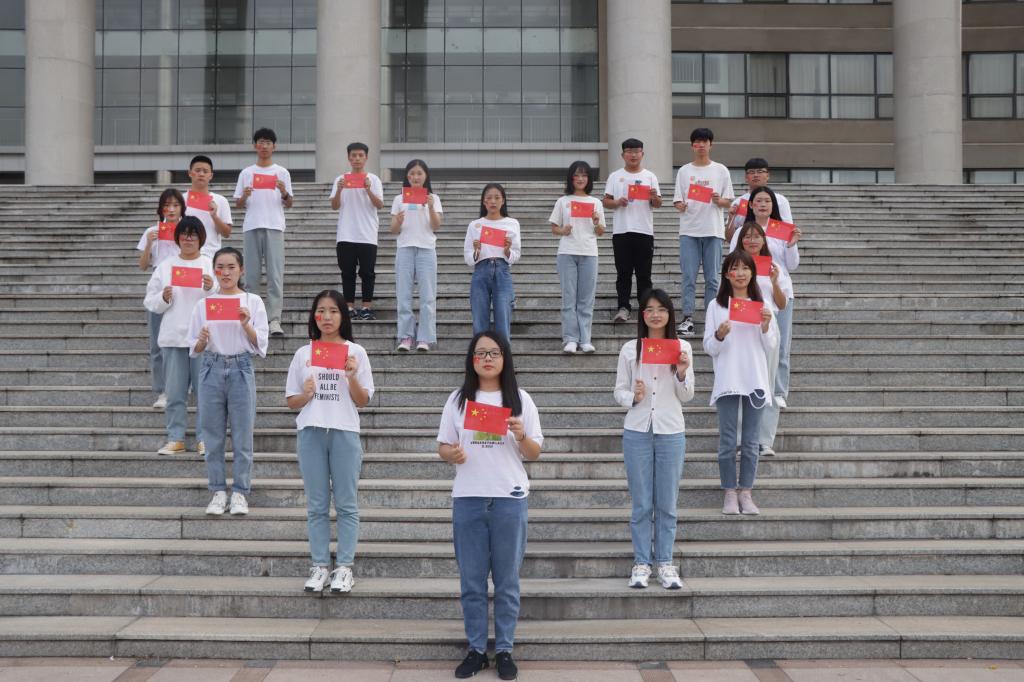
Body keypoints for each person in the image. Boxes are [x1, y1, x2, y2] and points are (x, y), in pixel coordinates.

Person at [437, 331, 543, 681]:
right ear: (472, 359)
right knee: (471, 580)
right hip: (468, 497)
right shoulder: (458, 400)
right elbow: (443, 446)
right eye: (480, 353)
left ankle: (505, 650)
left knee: (507, 580)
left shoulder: (521, 400)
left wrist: (521, 435)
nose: (487, 358)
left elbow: (534, 452)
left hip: (509, 497)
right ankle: (477, 650)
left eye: (494, 353)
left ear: (504, 358)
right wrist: (451, 454)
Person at [285, 290, 373, 594]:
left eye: (333, 311)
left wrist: (351, 376)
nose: (327, 317)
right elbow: (291, 400)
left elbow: (363, 400)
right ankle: (320, 565)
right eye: (321, 311)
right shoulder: (303, 353)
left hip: (344, 431)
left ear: (343, 316)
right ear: (314, 316)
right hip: (311, 431)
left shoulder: (355, 352)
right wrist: (307, 394)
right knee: (317, 505)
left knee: (346, 503)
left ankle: (344, 567)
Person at [613, 288, 694, 590]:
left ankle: (665, 563)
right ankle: (641, 563)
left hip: (671, 430)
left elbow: (687, 395)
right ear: (642, 315)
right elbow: (618, 390)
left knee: (667, 502)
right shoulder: (629, 349)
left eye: (661, 309)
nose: (655, 314)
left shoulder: (682, 347)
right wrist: (633, 397)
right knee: (642, 502)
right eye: (649, 309)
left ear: (670, 314)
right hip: (638, 430)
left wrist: (682, 373)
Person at [186, 247, 269, 517]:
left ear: (241, 270)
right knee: (212, 435)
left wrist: (246, 324)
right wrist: (201, 340)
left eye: (231, 267)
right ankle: (218, 490)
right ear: (214, 270)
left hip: (241, 367)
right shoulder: (204, 304)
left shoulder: (253, 301)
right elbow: (194, 347)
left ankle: (240, 492)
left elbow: (261, 344)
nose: (225, 272)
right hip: (211, 367)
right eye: (220, 267)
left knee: (243, 434)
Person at [703, 250, 779, 516]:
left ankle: (746, 492)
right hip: (728, 379)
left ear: (752, 273)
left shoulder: (762, 305)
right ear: (727, 274)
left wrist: (766, 326)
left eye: (745, 268)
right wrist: (719, 335)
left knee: (750, 441)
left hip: (755, 379)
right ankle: (729, 492)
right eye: (735, 268)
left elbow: (771, 346)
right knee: (727, 441)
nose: (740, 273)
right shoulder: (716, 306)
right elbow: (709, 347)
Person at [143, 216, 216, 456]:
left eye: (193, 235)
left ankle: (205, 439)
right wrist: (163, 298)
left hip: (203, 339)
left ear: (201, 238)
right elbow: (150, 301)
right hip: (174, 337)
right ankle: (176, 438)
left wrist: (211, 288)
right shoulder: (166, 266)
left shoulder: (210, 265)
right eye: (184, 234)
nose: (188, 239)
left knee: (205, 393)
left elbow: (223, 299)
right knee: (174, 393)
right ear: (177, 238)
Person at [741, 186, 802, 424]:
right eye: (759, 201)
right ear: (751, 205)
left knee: (781, 345)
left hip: (779, 292)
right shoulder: (744, 231)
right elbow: (735, 260)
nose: (763, 205)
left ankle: (778, 391)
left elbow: (792, 265)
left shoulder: (781, 229)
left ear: (773, 205)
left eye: (767, 201)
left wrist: (792, 244)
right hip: (750, 294)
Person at [735, 221, 791, 455]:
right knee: (741, 382)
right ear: (741, 240)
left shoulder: (773, 266)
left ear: (763, 240)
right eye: (747, 236)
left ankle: (764, 440)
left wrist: (775, 281)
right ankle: (742, 440)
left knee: (767, 381)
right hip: (741, 327)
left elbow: (782, 304)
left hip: (767, 326)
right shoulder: (734, 266)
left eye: (756, 236)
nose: (752, 240)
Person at [672, 127, 734, 338]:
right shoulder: (684, 171)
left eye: (704, 142)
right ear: (692, 146)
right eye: (697, 142)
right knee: (689, 277)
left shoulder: (721, 170)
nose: (701, 145)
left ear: (710, 144)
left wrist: (718, 200)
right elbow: (678, 201)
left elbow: (728, 201)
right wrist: (681, 206)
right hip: (689, 230)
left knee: (712, 279)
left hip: (713, 231)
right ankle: (687, 318)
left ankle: (711, 318)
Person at [233, 127, 294, 337]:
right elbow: (238, 204)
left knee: (275, 276)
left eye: (268, 142)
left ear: (274, 146)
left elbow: (289, 203)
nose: (264, 146)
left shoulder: (282, 172)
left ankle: (274, 319)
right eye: (261, 142)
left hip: (275, 226)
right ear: (255, 146)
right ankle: (252, 318)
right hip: (252, 226)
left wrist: (283, 191)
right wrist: (244, 195)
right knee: (251, 276)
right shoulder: (246, 173)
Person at [549, 160, 606, 354]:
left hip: (589, 253)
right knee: (569, 298)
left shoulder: (596, 202)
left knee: (586, 299)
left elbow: (600, 232)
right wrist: (563, 230)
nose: (580, 179)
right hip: (567, 252)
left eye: (584, 175)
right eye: (577, 175)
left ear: (589, 179)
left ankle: (585, 339)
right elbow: (554, 228)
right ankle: (571, 339)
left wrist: (596, 222)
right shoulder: (563, 201)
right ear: (571, 178)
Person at [603, 138, 662, 324]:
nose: (633, 155)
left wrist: (654, 197)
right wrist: (617, 202)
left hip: (644, 231)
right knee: (623, 273)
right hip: (622, 231)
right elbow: (606, 201)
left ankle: (645, 308)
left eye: (637, 151)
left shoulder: (650, 176)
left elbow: (658, 204)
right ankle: (623, 307)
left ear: (642, 154)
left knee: (644, 274)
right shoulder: (615, 176)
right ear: (623, 155)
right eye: (629, 151)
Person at [137, 188, 186, 409]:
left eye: (175, 205)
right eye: (167, 205)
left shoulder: (187, 230)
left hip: (183, 286)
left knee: (183, 340)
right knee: (157, 343)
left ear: (182, 208)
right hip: (159, 287)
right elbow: (142, 265)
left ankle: (183, 385)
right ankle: (162, 390)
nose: (171, 209)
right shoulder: (152, 231)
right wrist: (149, 243)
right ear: (161, 209)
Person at [390, 159, 442, 352]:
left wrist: (430, 207)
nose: (415, 177)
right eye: (412, 173)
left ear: (426, 176)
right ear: (407, 176)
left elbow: (436, 226)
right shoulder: (399, 199)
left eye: (419, 173)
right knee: (403, 295)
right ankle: (406, 336)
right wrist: (398, 220)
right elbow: (393, 229)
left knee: (427, 297)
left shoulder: (433, 198)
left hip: (426, 249)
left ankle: (425, 338)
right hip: (405, 248)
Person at [330, 142, 385, 320]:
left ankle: (366, 307)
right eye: (353, 155)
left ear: (366, 157)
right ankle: (349, 307)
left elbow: (380, 204)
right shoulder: (341, 179)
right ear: (348, 157)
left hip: (367, 234)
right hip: (346, 234)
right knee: (347, 272)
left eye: (361, 155)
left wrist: (368, 190)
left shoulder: (374, 180)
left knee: (368, 273)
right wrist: (339, 190)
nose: (357, 159)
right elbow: (334, 206)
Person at [465, 183, 521, 342]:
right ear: (484, 202)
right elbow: (468, 258)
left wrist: (507, 250)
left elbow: (516, 254)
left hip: (502, 271)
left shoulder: (512, 223)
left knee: (503, 318)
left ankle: (504, 356)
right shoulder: (475, 225)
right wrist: (476, 251)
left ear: (503, 201)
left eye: (497, 197)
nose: (493, 201)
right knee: (479, 320)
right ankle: (480, 355)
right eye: (489, 198)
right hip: (481, 271)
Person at [725, 157, 794, 248]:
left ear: (768, 175)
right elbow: (730, 239)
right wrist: (731, 219)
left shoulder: (781, 200)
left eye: (760, 171)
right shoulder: (738, 203)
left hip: (773, 249)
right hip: (747, 250)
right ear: (746, 177)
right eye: (751, 172)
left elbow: (788, 233)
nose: (756, 175)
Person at [183, 154, 233, 259]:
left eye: (205, 171)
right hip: (185, 254)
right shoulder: (180, 200)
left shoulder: (221, 200)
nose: (201, 174)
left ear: (211, 175)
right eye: (197, 170)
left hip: (211, 255)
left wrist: (214, 216)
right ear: (190, 173)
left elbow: (226, 233)